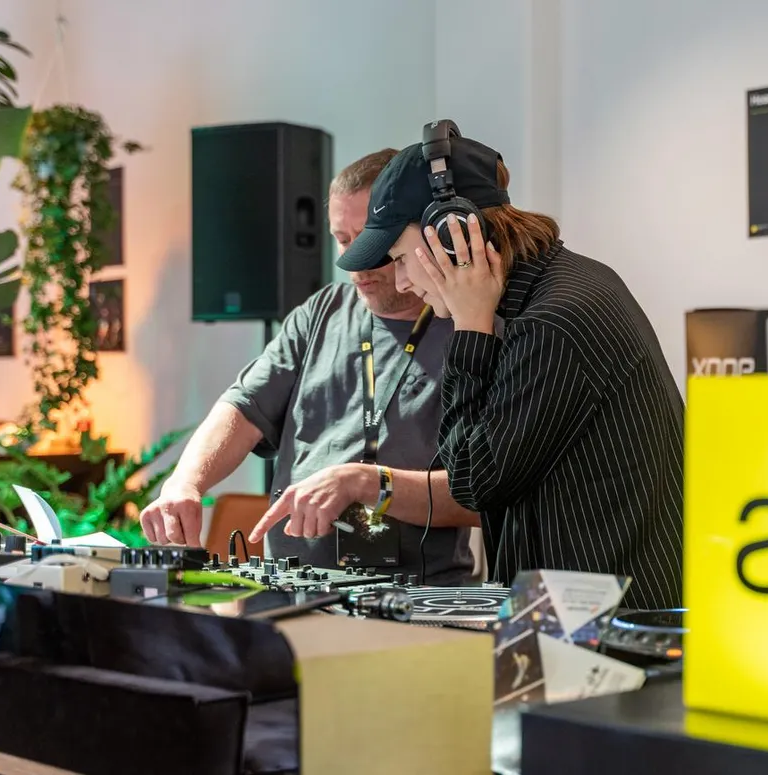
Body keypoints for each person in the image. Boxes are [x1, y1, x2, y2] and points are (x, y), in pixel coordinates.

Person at [332, 125, 684, 610]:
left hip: (607, 630)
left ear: (452, 236)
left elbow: (473, 482)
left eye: (398, 258)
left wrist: (470, 328)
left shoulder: (552, 322)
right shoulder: (553, 290)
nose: (402, 281)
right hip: (582, 613)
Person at [139, 149, 479, 585]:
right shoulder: (322, 311)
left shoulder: (471, 326)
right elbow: (241, 409)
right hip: (293, 586)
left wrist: (368, 482)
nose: (352, 260)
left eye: (371, 236)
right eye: (342, 239)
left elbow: (483, 494)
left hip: (415, 594)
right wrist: (184, 484)